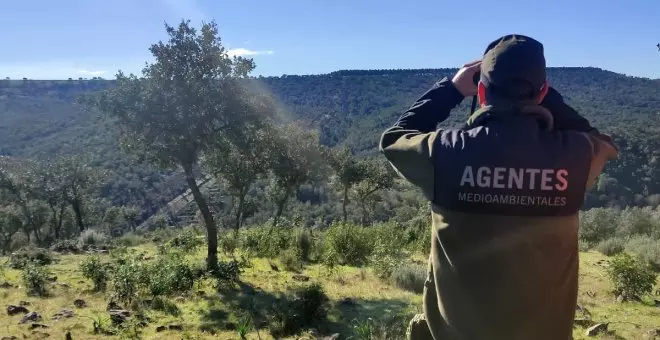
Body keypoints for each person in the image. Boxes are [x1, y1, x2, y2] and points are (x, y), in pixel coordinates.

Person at [379, 34, 619, 340]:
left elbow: (395, 138)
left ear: (480, 90)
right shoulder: (577, 156)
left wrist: (450, 89)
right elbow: (601, 141)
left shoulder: (446, 152)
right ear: (542, 91)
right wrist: (545, 98)